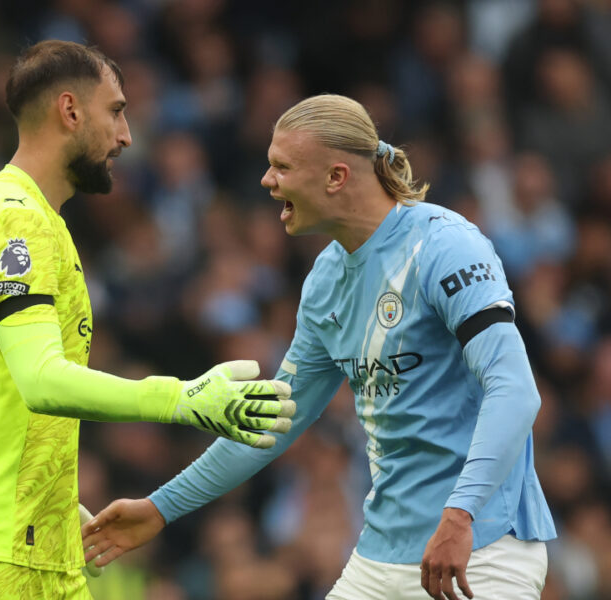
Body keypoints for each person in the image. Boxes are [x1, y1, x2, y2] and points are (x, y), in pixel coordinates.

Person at [82, 94, 557, 600]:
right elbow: (271, 422)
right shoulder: (326, 280)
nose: (267, 181)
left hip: (480, 549)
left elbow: (516, 390)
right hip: (381, 558)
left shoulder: (444, 246)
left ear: (335, 177)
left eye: (282, 167)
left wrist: (460, 515)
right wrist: (159, 508)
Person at [0, 40, 296, 600]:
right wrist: (182, 399)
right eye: (117, 111)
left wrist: (52, 500)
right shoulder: (18, 226)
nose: (126, 136)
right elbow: (40, 379)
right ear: (71, 111)